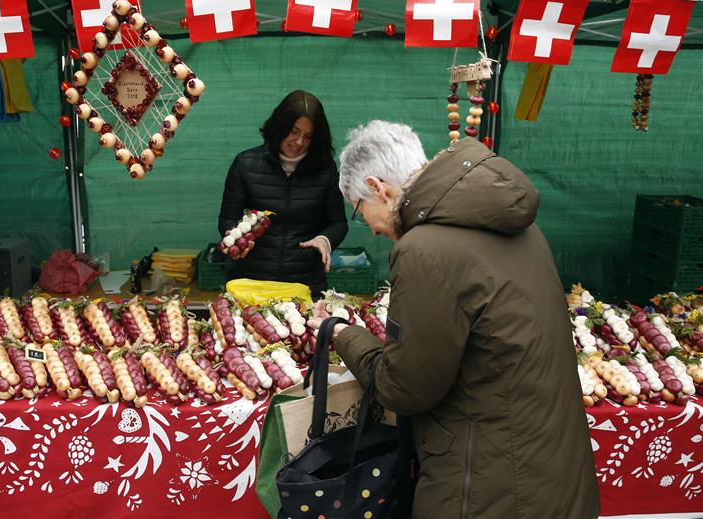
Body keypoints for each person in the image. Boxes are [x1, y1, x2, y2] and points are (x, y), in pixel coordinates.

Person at [311, 121, 600, 519]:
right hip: (554, 474)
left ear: (379, 187)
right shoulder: (521, 227)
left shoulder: (424, 249)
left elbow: (406, 388)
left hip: (488, 486)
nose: (374, 230)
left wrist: (344, 334)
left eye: (361, 213)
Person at [218, 90, 348, 296]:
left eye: (308, 136)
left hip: (305, 284)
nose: (299, 142)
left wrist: (325, 240)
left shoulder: (325, 170)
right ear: (280, 127)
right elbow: (227, 219)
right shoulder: (246, 164)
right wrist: (235, 236)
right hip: (252, 282)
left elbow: (338, 223)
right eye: (294, 132)